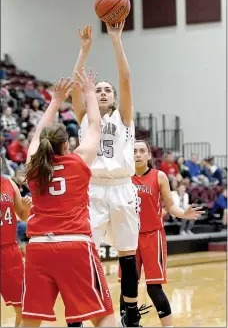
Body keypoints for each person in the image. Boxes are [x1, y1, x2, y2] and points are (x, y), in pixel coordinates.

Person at [21, 72, 115, 327]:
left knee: (31, 319)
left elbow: (36, 135)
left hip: (38, 247)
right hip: (74, 245)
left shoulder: (33, 165)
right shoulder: (78, 161)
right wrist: (87, 92)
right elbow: (96, 126)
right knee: (103, 314)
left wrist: (55, 101)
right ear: (65, 146)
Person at [71, 23, 141, 327]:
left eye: (106, 90)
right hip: (92, 189)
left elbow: (125, 79)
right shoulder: (86, 116)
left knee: (128, 256)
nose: (102, 91)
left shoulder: (123, 117)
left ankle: (131, 314)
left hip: (123, 188)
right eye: (97, 89)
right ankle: (78, 315)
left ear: (113, 98)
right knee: (83, 254)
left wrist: (116, 40)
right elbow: (76, 85)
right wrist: (84, 51)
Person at [119, 140, 204, 327]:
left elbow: (171, 205)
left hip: (152, 236)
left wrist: (183, 213)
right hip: (129, 237)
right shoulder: (122, 176)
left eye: (142, 151)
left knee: (154, 287)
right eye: (134, 151)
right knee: (128, 285)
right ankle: (126, 323)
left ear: (149, 155)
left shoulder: (159, 176)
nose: (138, 154)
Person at [0, 161, 32, 327]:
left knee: (23, 306)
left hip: (10, 251)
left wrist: (26, 208)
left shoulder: (9, 183)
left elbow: (23, 216)